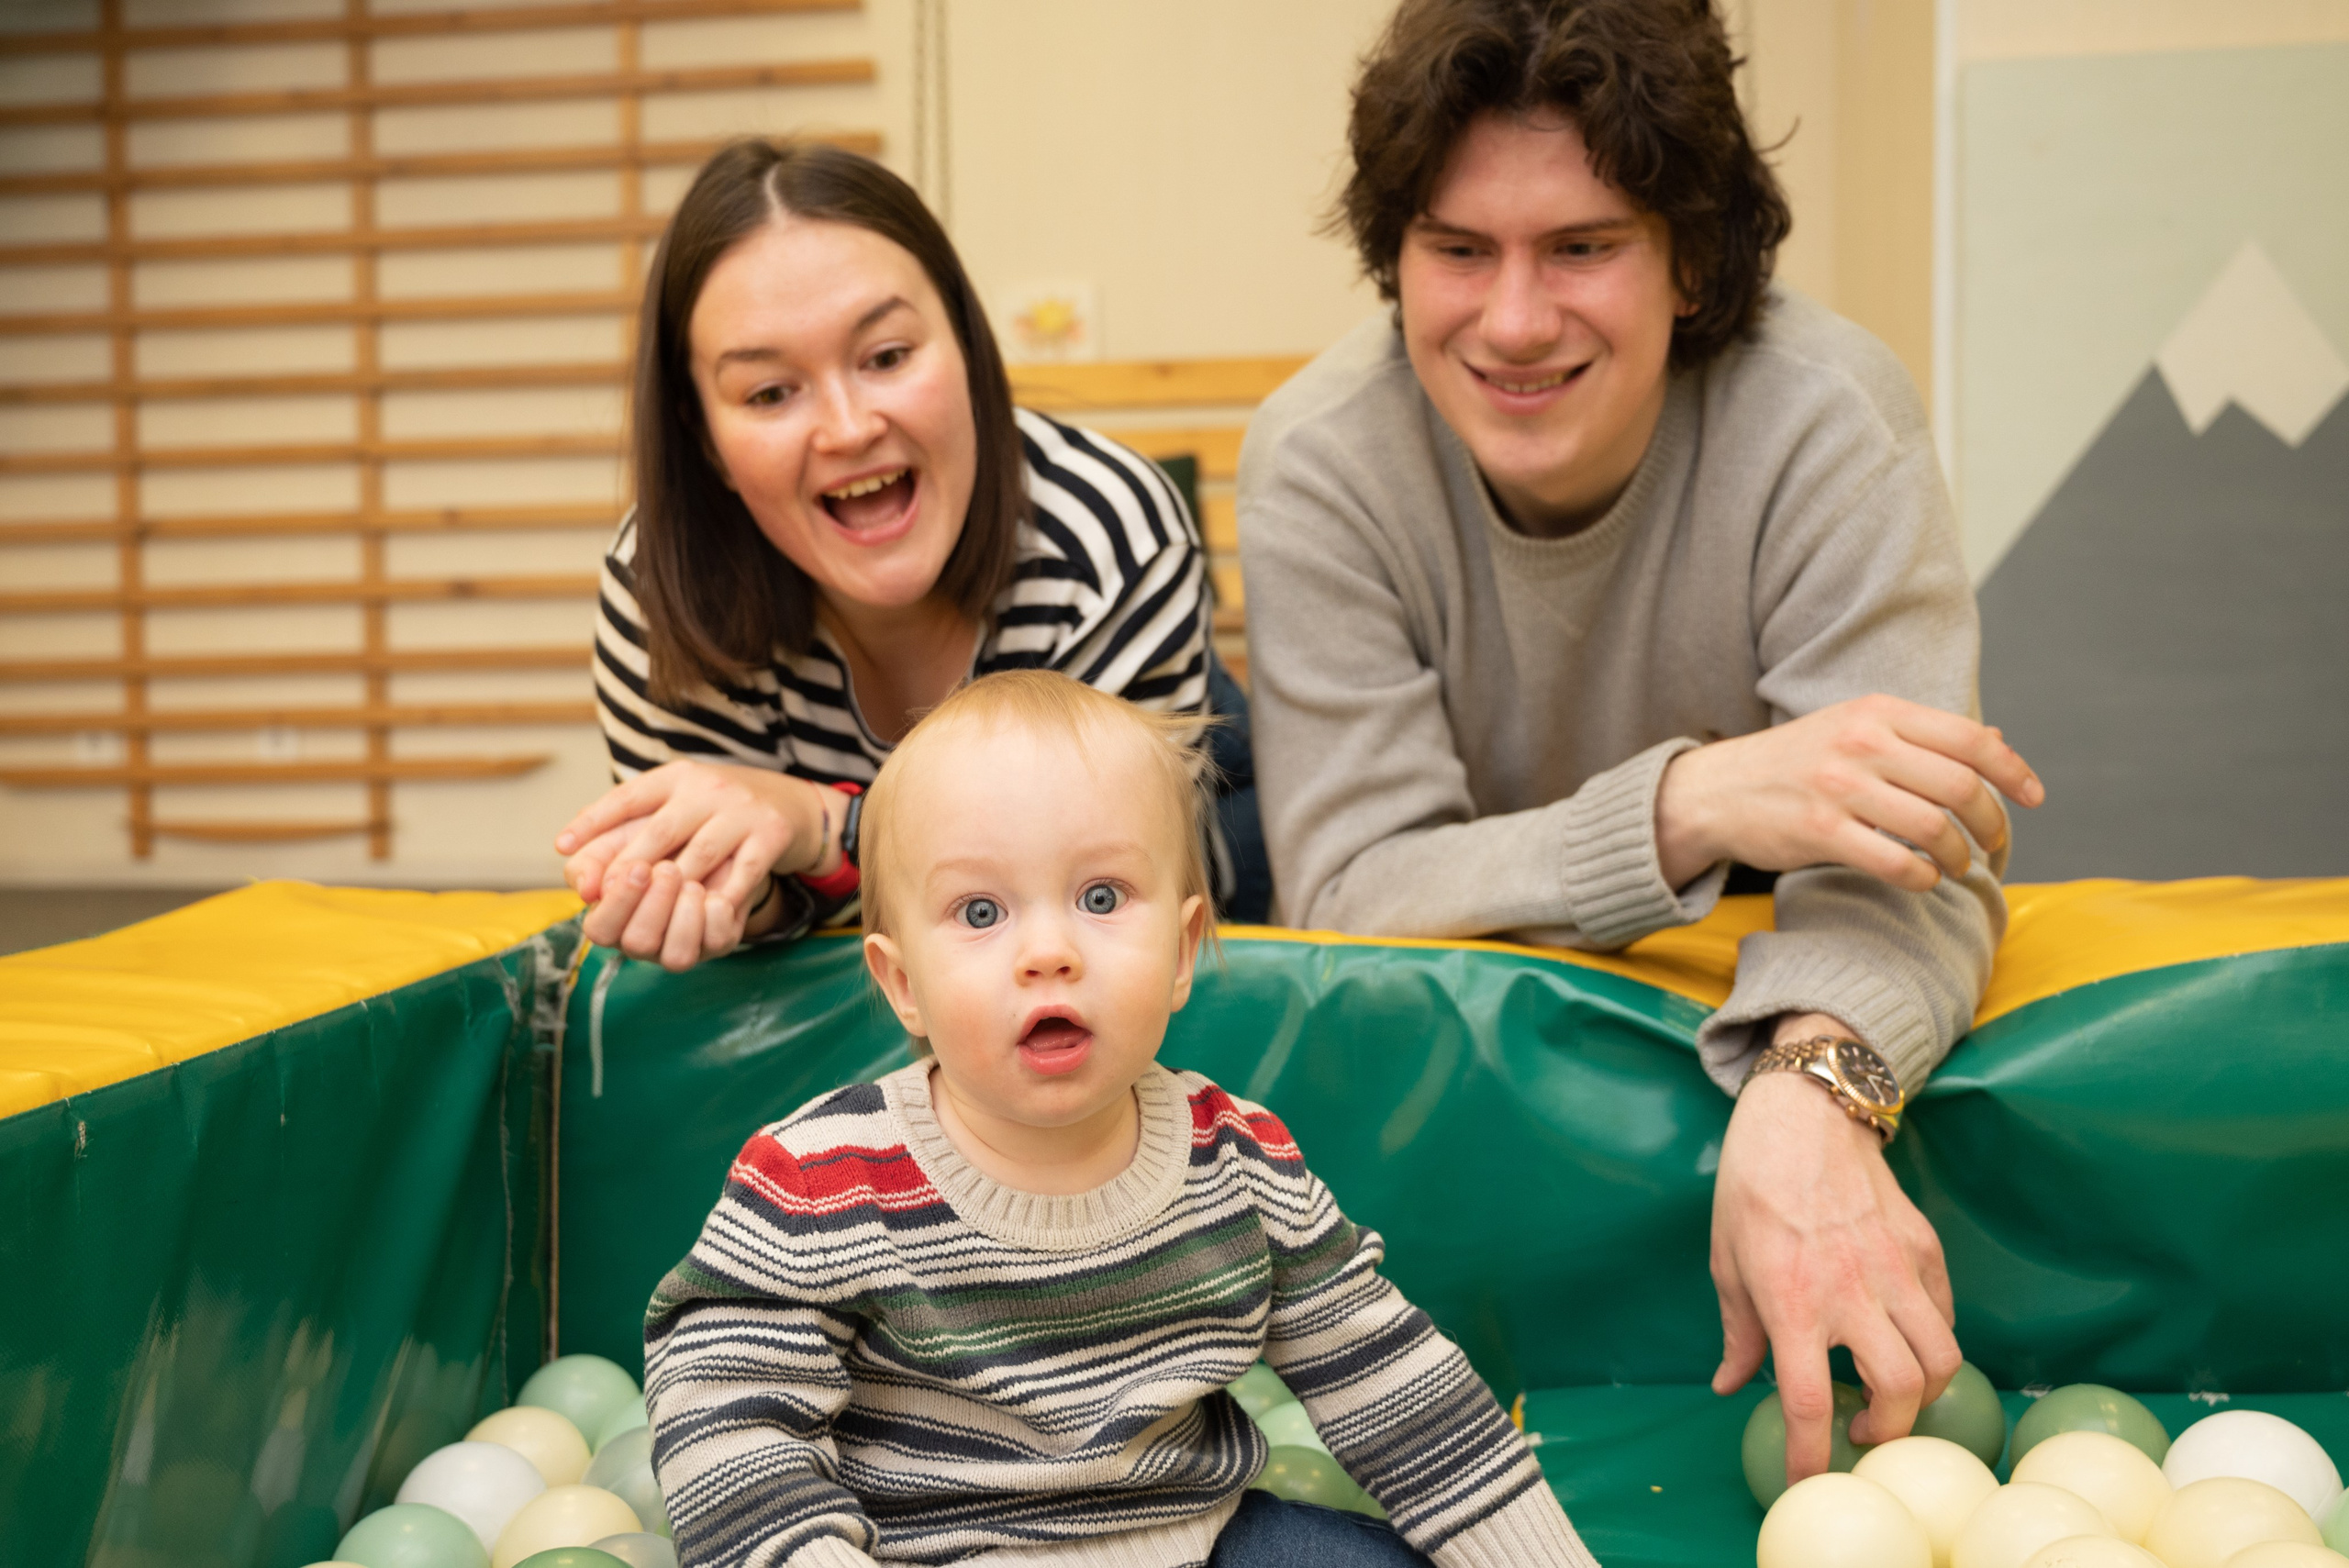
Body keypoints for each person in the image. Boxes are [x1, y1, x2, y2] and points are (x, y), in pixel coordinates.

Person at [1236, 0, 2046, 1486]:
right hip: (1481, 1134)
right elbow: (1351, 885)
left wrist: (1817, 1089)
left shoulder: (1825, 416)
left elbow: (1916, 851)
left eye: (1583, 246)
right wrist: (1697, 798)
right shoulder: (1319, 457)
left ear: (1691, 258)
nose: (1515, 318)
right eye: (1457, 248)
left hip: (1770, 1019)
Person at [642, 671, 1598, 1568]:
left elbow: (1399, 1393)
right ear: (903, 983)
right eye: (980, 911)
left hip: (1200, 1537)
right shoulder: (821, 1178)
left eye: (1101, 897)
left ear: (1182, 949)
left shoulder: (1239, 1160)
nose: (1049, 950)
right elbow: (723, 1418)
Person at [556, 141, 1267, 972]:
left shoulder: (1113, 541)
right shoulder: (661, 590)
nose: (850, 427)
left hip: (1180, 863)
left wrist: (818, 825)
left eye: (887, 356)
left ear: (966, 346)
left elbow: (1083, 895)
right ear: (703, 438)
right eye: (769, 392)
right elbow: (756, 902)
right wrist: (732, 891)